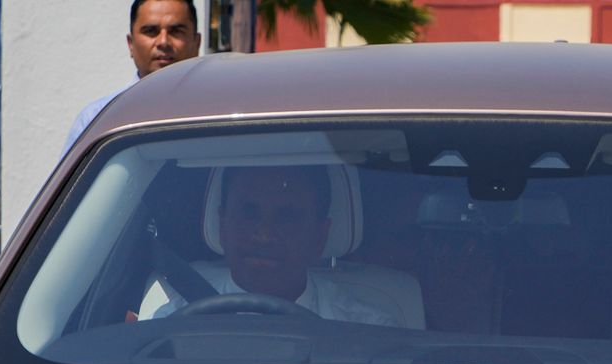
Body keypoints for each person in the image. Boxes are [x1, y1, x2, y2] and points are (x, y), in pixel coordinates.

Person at [143, 166, 399, 326]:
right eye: (249, 212)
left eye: (287, 216)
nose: (264, 235)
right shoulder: (171, 326)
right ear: (223, 225)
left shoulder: (365, 334)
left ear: (320, 236)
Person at [65, 0, 202, 151]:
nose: (163, 42)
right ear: (131, 44)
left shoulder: (220, 112)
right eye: (151, 31)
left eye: (176, 31)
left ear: (197, 42)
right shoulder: (96, 119)